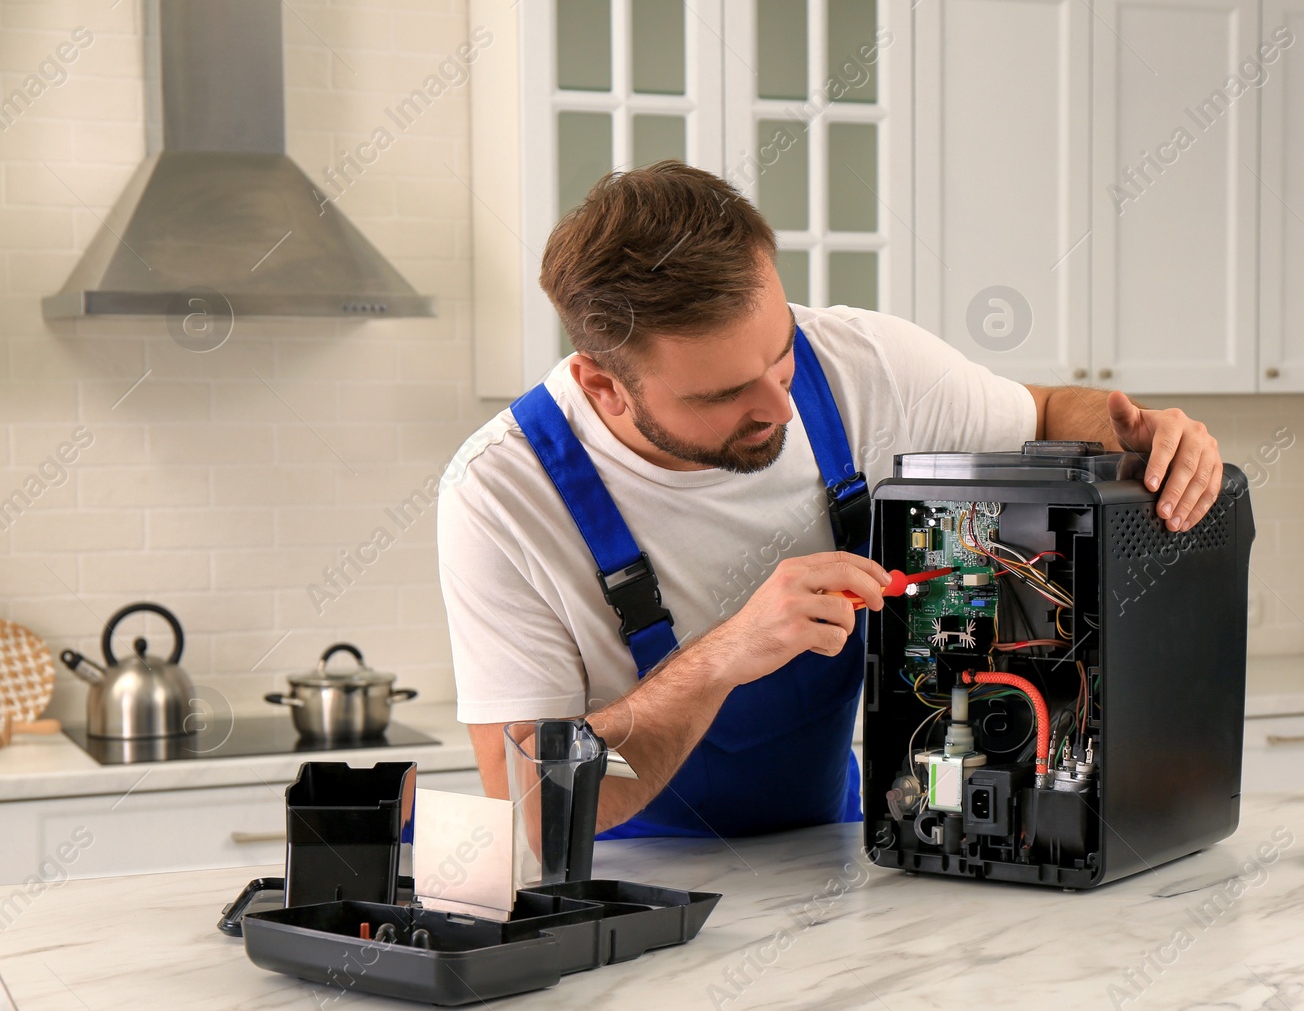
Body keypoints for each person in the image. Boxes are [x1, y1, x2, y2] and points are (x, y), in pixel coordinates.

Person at [438, 162, 1222, 840]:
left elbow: (1048, 414)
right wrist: (726, 654)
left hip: (830, 859)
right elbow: (534, 805)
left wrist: (1141, 435)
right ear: (604, 386)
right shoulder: (503, 494)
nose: (780, 410)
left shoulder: (863, 365)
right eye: (725, 394)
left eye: (780, 359)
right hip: (628, 890)